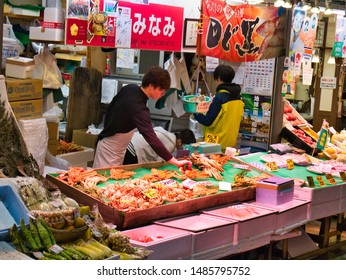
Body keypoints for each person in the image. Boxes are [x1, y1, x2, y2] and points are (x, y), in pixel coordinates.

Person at [93, 66, 192, 169]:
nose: (162, 95)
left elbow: (110, 109)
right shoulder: (139, 108)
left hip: (112, 146)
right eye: (161, 92)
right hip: (109, 151)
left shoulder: (130, 88)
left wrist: (108, 129)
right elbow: (151, 137)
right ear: (151, 86)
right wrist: (175, 161)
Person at [193, 65, 244, 152]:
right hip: (230, 143)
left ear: (219, 78)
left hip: (215, 143)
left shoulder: (220, 98)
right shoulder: (239, 98)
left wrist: (195, 111)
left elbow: (209, 121)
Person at [123, 127, 196, 165]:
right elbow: (159, 163)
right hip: (133, 150)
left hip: (127, 142)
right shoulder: (171, 143)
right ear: (179, 141)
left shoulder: (168, 134)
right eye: (183, 146)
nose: (182, 149)